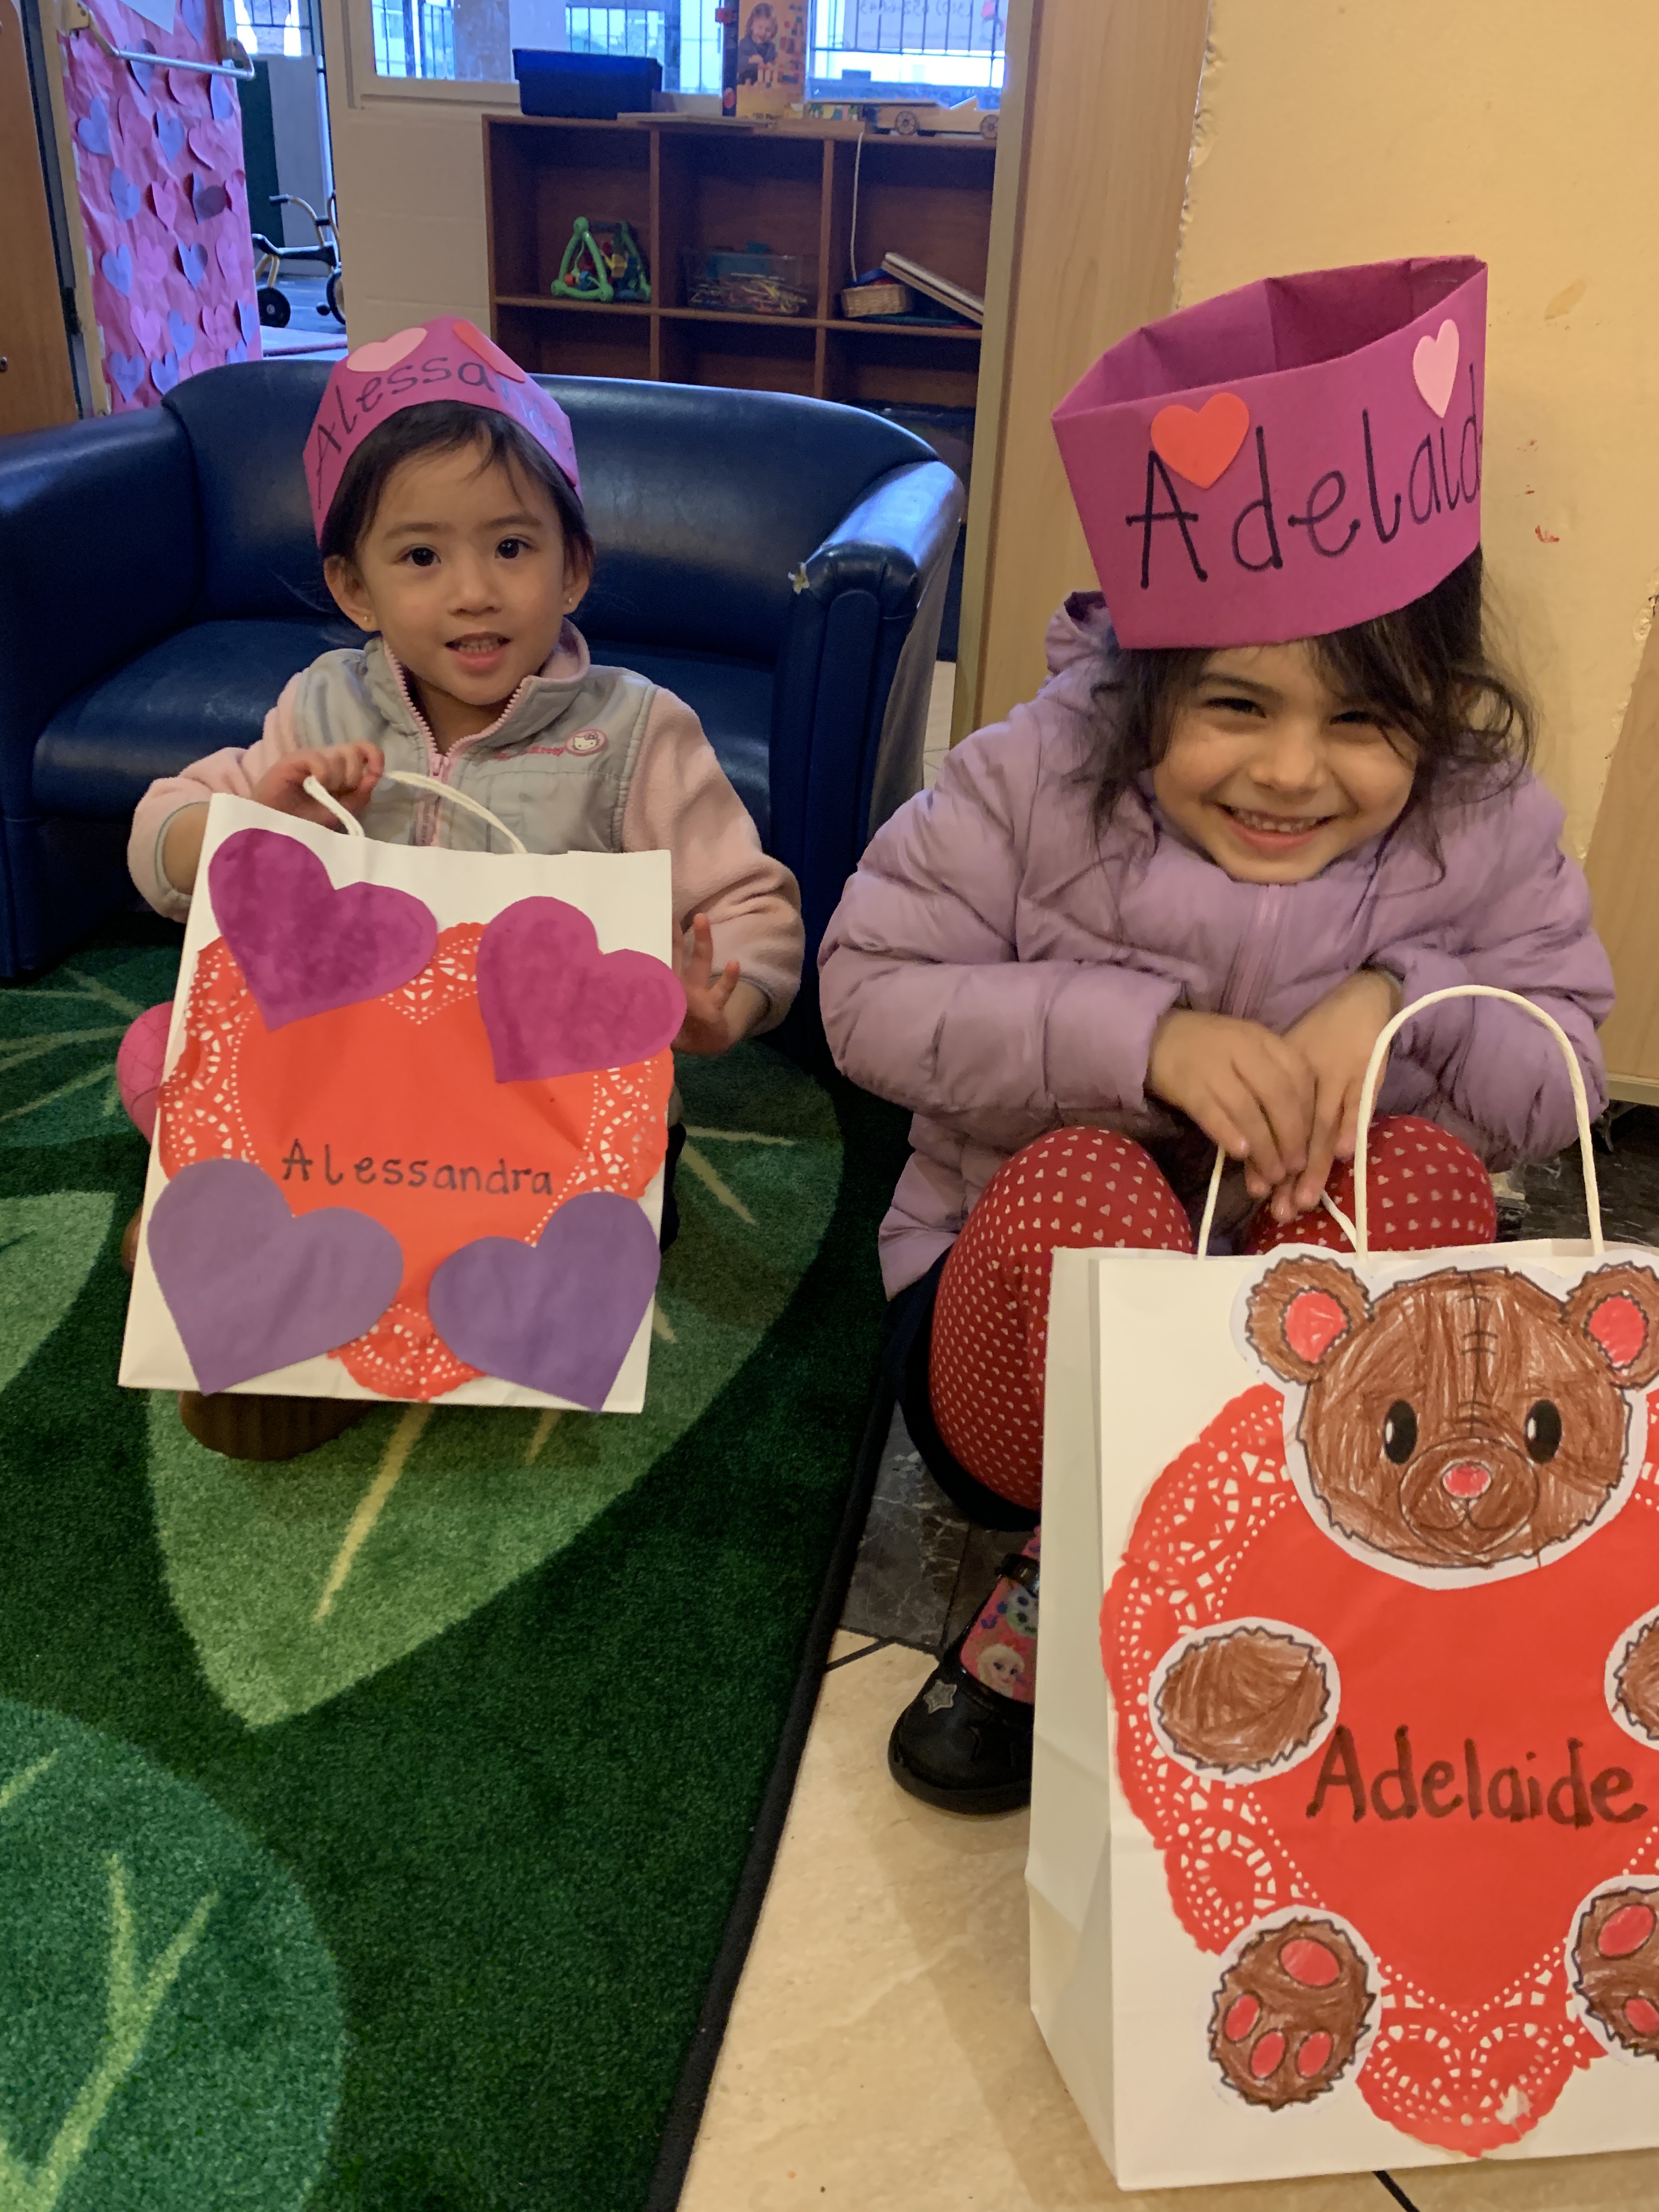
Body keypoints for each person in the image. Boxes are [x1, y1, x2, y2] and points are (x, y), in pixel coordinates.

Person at [818, 257, 1615, 1815]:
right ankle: (1061, 1578)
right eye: (1236, 707)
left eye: (1365, 720)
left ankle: (1299, 1575)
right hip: (1008, 1364)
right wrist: (1144, 1042)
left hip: (1311, 1383)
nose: (1294, 773)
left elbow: (1566, 1068)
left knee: (1424, 1188)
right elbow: (866, 993)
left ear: (1440, 706)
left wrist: (1403, 1002)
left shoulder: (1484, 824)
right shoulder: (1030, 779)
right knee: (1089, 1193)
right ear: (1141, 684)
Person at [121, 313, 803, 1453]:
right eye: (422, 558)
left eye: (513, 548)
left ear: (574, 566)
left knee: (568, 1236)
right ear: (354, 586)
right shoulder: (321, 708)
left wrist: (716, 1002)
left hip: (553, 1127)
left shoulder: (636, 735)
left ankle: (427, 1290)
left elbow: (755, 906)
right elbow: (159, 833)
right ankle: (284, 1301)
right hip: (362, 1104)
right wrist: (251, 828)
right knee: (161, 1050)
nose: (475, 593)